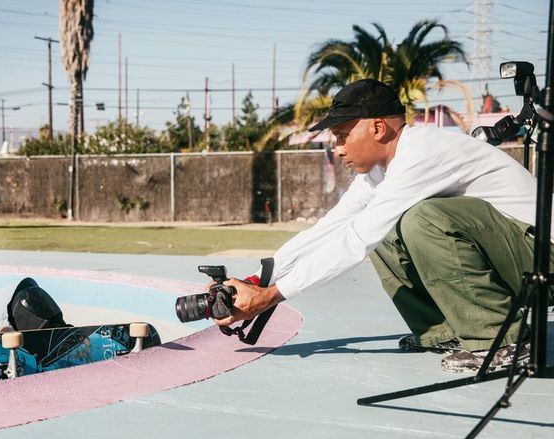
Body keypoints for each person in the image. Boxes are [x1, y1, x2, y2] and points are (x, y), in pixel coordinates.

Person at [216, 78, 547, 373]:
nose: (339, 148)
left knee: (421, 220)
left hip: (542, 258)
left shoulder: (421, 153)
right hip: (512, 254)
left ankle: (500, 341)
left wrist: (272, 296)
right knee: (387, 226)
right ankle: (444, 331)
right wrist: (259, 280)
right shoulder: (379, 171)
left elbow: (356, 241)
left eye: (343, 136)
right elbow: (332, 227)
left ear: (377, 128)